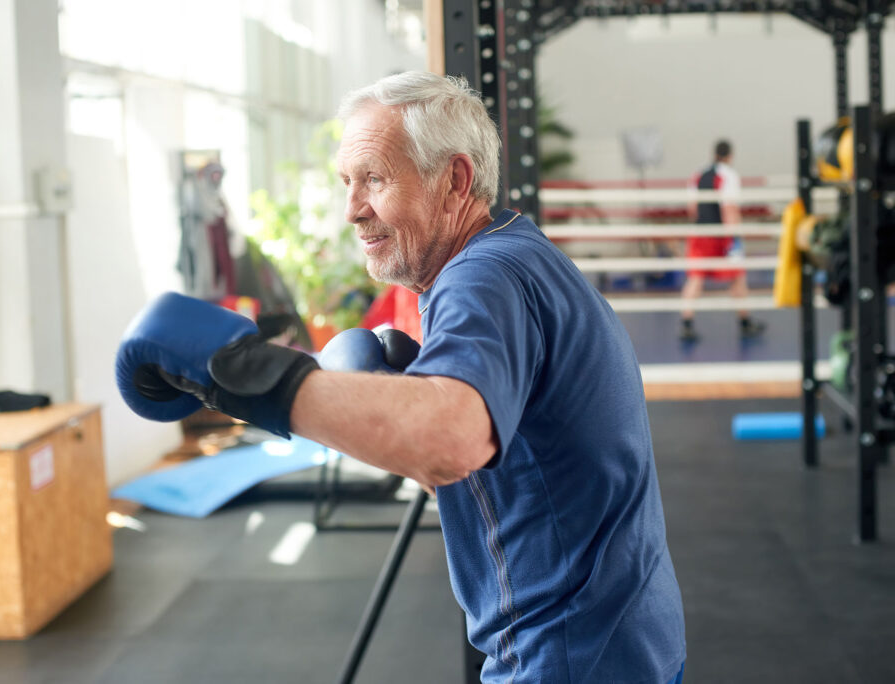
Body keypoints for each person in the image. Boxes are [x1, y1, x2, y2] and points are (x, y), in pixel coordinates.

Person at [124, 71, 686, 683]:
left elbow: (449, 440)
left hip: (570, 658)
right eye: (347, 181)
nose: (352, 209)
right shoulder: (519, 251)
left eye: (374, 179)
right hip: (625, 638)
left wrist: (236, 374)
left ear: (455, 180)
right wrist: (391, 397)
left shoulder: (482, 278)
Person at [679, 140, 766, 342]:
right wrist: (734, 238)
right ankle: (745, 322)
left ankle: (686, 324)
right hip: (720, 235)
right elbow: (729, 209)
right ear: (730, 156)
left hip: (700, 234)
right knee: (737, 278)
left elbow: (692, 208)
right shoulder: (728, 175)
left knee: (696, 279)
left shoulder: (698, 174)